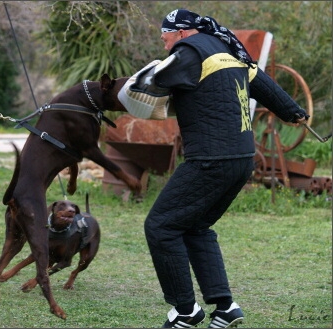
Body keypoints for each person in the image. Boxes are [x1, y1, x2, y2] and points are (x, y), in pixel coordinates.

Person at [137, 9, 310, 328]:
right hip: (243, 159)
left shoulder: (188, 51)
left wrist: (114, 96)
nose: (166, 47)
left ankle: (185, 311)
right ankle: (226, 307)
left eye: (166, 40)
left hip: (210, 160)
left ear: (181, 33)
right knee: (195, 226)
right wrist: (294, 112)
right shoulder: (231, 50)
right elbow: (266, 87)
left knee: (161, 226)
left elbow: (151, 83)